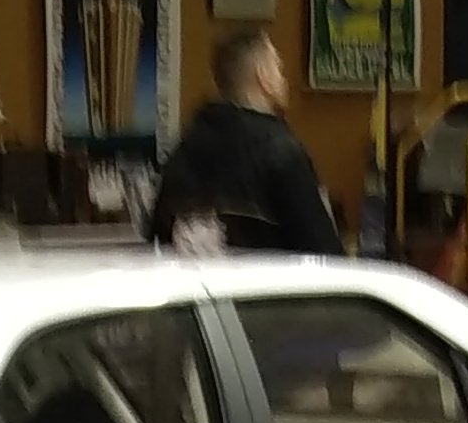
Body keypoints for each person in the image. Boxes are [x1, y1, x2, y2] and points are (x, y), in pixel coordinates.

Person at [146, 27, 341, 256]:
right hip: (266, 279)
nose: (283, 77)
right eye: (278, 68)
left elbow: (156, 244)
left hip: (192, 280)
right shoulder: (282, 153)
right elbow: (325, 254)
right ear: (264, 77)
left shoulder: (184, 150)